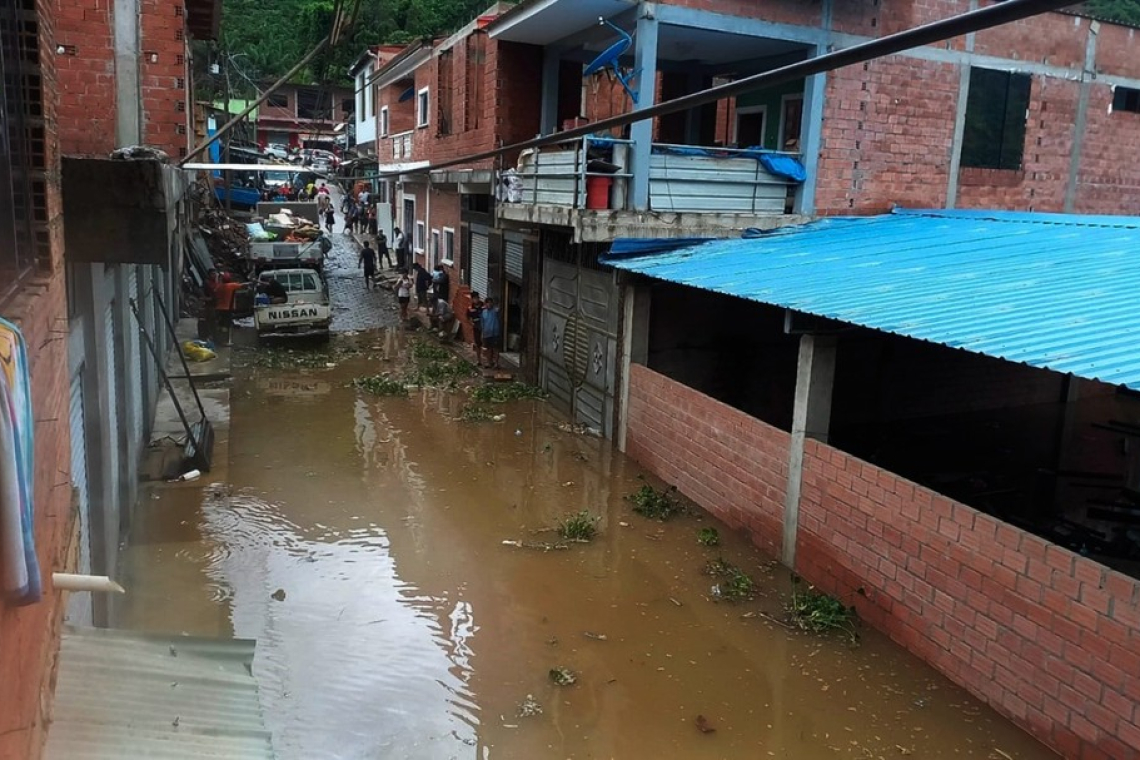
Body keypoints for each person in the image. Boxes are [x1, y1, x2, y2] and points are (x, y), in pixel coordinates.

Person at [480, 297, 502, 369]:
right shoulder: (483, 312)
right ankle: (489, 363)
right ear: (485, 304)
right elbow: (482, 323)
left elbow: (498, 308)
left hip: (495, 333)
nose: (489, 304)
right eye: (487, 302)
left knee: (495, 348)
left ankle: (496, 363)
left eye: (490, 302)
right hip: (487, 333)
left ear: (492, 303)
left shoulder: (495, 311)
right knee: (488, 349)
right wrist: (482, 333)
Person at [467, 291, 484, 365]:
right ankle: (479, 360)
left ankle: (490, 361)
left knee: (487, 344)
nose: (476, 300)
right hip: (476, 328)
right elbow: (468, 318)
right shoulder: (470, 308)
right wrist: (471, 323)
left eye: (477, 298)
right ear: (472, 299)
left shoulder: (484, 306)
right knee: (478, 344)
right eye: (474, 298)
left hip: (485, 328)